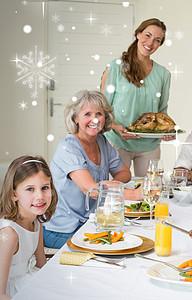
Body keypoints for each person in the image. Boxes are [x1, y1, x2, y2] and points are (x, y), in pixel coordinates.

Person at [43, 90, 142, 249]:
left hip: (92, 223)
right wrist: (135, 194)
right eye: (87, 114)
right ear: (75, 118)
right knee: (117, 247)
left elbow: (125, 173)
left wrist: (110, 186)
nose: (94, 119)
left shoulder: (102, 141)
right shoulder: (67, 148)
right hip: (63, 229)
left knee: (134, 239)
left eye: (99, 114)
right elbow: (91, 190)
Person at [100, 18, 171, 177]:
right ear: (138, 34)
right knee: (117, 191)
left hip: (149, 146)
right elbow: (102, 109)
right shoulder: (115, 67)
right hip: (117, 142)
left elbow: (161, 111)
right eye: (147, 35)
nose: (150, 43)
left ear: (160, 44)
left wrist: (166, 131)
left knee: (147, 192)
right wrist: (118, 128)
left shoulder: (163, 74)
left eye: (157, 40)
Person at [0, 156, 58, 299]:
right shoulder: (9, 234)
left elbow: (41, 265)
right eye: (30, 189)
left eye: (45, 188)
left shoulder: (36, 223)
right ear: (14, 194)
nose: (40, 196)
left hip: (29, 279)